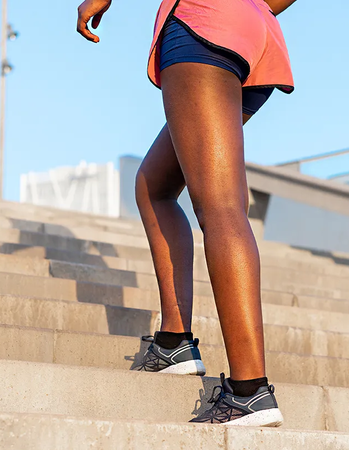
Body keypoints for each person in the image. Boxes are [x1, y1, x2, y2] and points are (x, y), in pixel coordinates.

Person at [77, 0, 296, 427]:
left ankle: (249, 391)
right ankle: (173, 342)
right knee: (154, 186)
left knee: (221, 208)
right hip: (254, 33)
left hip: (202, 28)